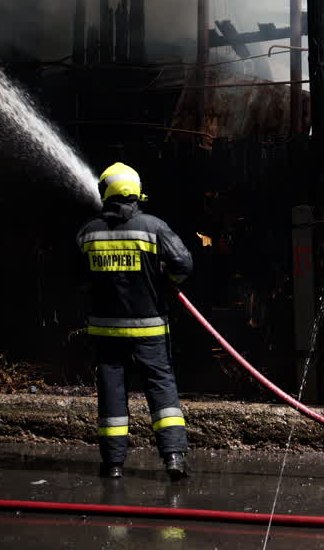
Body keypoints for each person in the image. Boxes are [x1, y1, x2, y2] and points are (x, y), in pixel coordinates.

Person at [77, 162, 194, 480]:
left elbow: (79, 277)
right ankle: (173, 459)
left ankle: (113, 464)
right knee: (161, 390)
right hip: (149, 328)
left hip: (105, 330)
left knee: (113, 393)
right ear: (136, 192)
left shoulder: (88, 233)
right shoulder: (153, 227)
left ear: (106, 191)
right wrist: (166, 278)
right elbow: (182, 263)